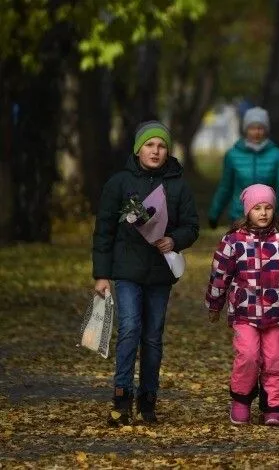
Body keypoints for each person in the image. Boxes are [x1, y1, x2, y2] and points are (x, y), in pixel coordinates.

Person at [93, 120, 200, 426]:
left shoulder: (178, 184)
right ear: (139, 148)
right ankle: (122, 396)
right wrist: (101, 275)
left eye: (162, 145)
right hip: (126, 270)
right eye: (150, 145)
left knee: (152, 337)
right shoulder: (119, 183)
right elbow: (103, 231)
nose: (156, 151)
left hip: (159, 274)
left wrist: (174, 240)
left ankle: (148, 398)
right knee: (129, 329)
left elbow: (191, 225)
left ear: (168, 151)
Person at [205, 184, 279, 426]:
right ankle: (240, 401)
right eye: (257, 208)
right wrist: (214, 304)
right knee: (248, 356)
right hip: (244, 313)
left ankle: (273, 406)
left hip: (274, 314)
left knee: (275, 359)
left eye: (268, 207)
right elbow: (220, 275)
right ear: (247, 211)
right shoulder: (233, 241)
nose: (263, 213)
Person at [208, 107, 279, 228]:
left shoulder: (277, 155)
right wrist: (214, 213)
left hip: (267, 216)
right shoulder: (233, 155)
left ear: (266, 130)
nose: (256, 132)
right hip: (239, 216)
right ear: (246, 129)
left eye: (260, 128)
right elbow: (225, 186)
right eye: (252, 128)